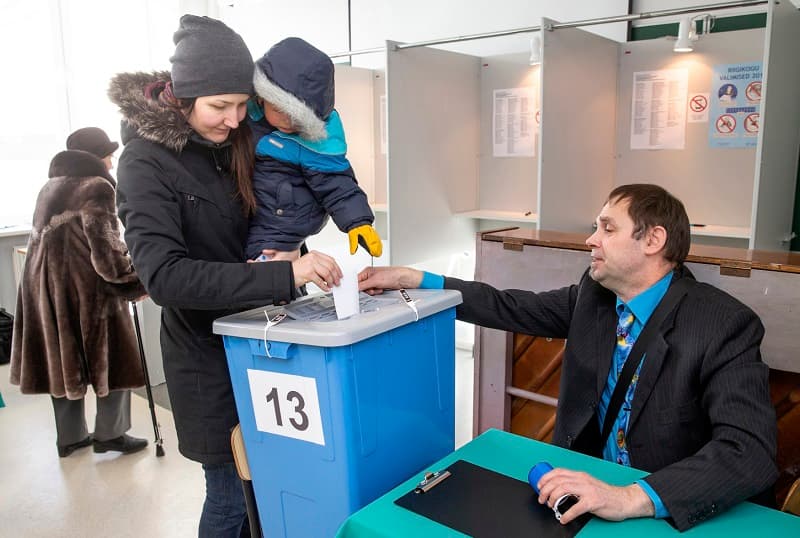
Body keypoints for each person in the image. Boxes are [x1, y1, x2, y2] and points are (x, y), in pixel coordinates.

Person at [358, 183, 777, 531]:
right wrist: (419, 280)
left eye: (607, 228)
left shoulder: (724, 324)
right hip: (580, 493)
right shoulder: (594, 297)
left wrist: (631, 496)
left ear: (653, 240)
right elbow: (509, 306)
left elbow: (749, 451)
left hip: (661, 505)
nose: (591, 240)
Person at [108, 15, 342, 537]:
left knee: (272, 484)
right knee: (231, 496)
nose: (236, 119)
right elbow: (166, 279)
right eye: (219, 106)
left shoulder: (236, 140)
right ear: (182, 95)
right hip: (207, 361)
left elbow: (272, 213)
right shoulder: (145, 162)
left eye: (243, 104)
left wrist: (290, 250)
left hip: (270, 344)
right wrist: (285, 277)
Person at [9, 126, 149, 458]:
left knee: (61, 361)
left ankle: (70, 437)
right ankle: (111, 434)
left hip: (44, 287)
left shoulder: (50, 186)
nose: (112, 163)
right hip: (87, 291)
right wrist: (135, 282)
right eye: (109, 155)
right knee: (113, 358)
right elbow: (107, 254)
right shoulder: (97, 187)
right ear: (96, 157)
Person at [245, 37, 381, 262]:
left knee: (268, 270)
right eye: (280, 109)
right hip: (254, 212)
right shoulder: (245, 117)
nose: (288, 122)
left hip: (282, 223)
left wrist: (358, 221)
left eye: (299, 117)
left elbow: (338, 184)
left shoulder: (318, 140)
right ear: (261, 96)